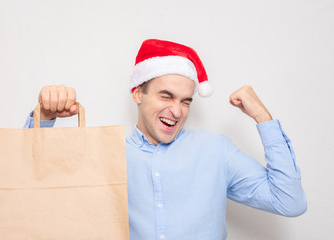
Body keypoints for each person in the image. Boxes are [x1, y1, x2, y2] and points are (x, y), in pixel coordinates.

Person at [24, 39, 307, 240]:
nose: (176, 110)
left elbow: (289, 201)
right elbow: (32, 187)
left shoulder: (215, 150)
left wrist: (262, 116)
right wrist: (44, 115)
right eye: (165, 96)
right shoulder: (106, 154)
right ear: (137, 93)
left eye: (185, 101)